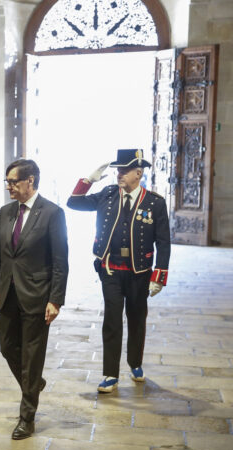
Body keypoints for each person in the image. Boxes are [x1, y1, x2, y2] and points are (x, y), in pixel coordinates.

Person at [67, 149, 170, 393]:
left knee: (136, 319)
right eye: (118, 170)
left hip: (139, 271)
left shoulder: (155, 202)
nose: (119, 174)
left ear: (138, 173)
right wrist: (88, 180)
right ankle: (110, 374)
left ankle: (135, 363)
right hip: (110, 269)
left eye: (124, 170)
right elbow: (73, 203)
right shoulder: (108, 194)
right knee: (112, 321)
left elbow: (163, 242)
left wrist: (159, 275)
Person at [0, 158, 69, 440]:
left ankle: (27, 417)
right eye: (7, 182)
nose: (9, 186)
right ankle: (34, 383)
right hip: (8, 295)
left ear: (30, 181)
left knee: (32, 357)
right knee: (7, 348)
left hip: (37, 296)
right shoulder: (5, 211)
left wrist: (55, 299)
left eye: (13, 181)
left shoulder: (52, 213)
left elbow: (60, 260)